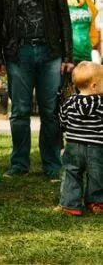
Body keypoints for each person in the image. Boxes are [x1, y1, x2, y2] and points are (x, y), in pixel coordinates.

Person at [0, 0, 74, 180]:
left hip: (50, 53)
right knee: (20, 111)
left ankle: (52, 165)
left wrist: (68, 57)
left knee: (50, 111)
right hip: (18, 53)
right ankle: (19, 164)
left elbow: (63, 19)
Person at [55, 61, 103, 216]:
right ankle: (97, 202)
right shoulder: (101, 104)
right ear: (94, 86)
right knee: (97, 174)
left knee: (71, 172)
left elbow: (62, 120)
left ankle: (70, 204)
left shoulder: (69, 102)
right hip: (97, 146)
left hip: (73, 145)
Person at [65, 0, 100, 64]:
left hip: (86, 55)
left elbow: (93, 28)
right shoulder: (60, 2)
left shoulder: (88, 2)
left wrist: (92, 45)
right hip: (67, 57)